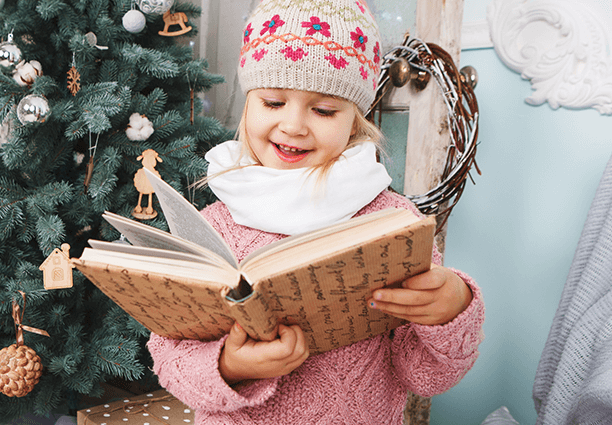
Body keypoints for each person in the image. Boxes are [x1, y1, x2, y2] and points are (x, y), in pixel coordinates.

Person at [147, 0, 484, 423]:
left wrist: (453, 307)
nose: (294, 126)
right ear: (248, 104)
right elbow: (169, 358)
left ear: (355, 121)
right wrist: (231, 367)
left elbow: (425, 376)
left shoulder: (391, 224)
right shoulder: (213, 225)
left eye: (324, 110)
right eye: (272, 102)